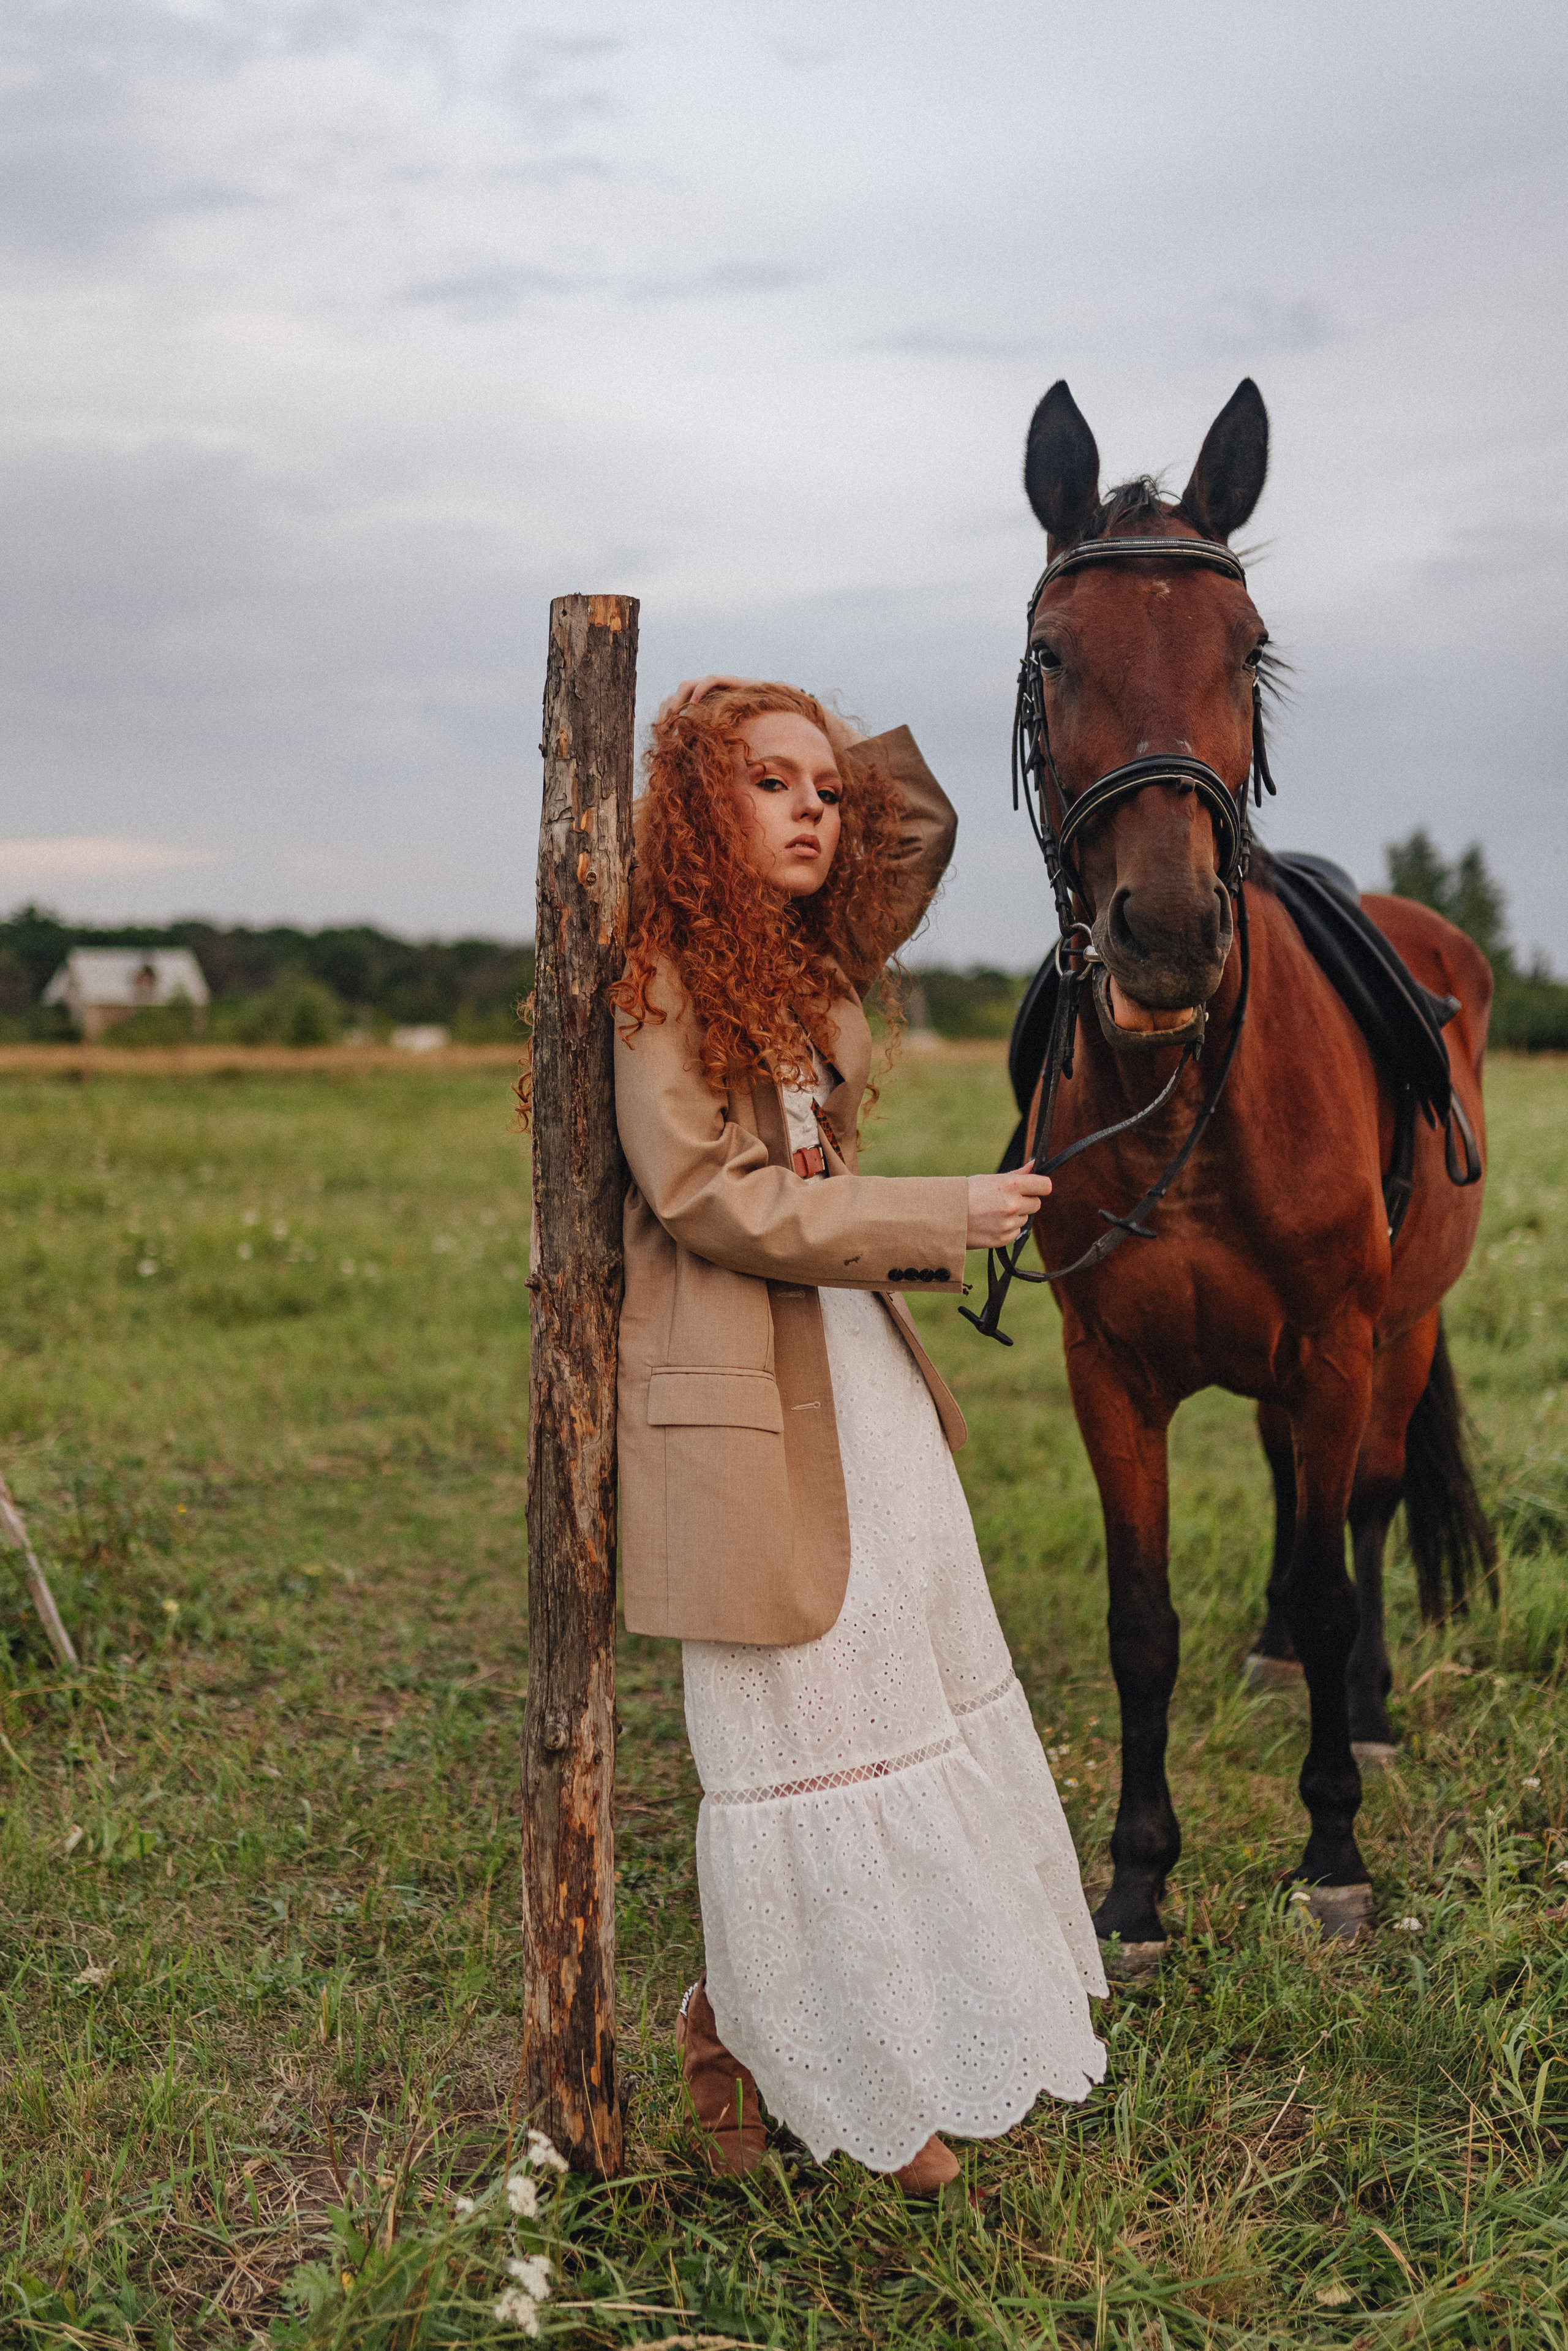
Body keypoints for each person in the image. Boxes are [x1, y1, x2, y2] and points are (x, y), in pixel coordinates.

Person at [611, 676, 1106, 2195]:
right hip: (748, 1397)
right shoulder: (660, 979)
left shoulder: (794, 957)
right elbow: (709, 1196)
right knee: (807, 1726)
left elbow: (920, 825)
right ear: (698, 812)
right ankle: (783, 2047)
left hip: (863, 1381)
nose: (819, 807)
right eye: (768, 784)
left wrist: (822, 760)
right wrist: (935, 1211)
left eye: (824, 786)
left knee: (893, 1689)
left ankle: (812, 2043)